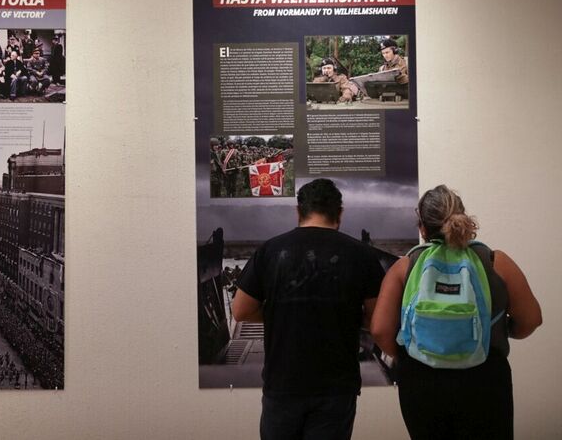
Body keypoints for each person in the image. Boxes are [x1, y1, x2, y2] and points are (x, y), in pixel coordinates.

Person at [370, 185, 542, 440]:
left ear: (422, 228)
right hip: (485, 377)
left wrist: (407, 354)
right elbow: (531, 319)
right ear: (462, 217)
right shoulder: (496, 261)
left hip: (421, 380)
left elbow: (379, 330)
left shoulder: (404, 267)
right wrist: (502, 331)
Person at [232, 178, 384, 440]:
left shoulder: (270, 250)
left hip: (283, 382)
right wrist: (345, 316)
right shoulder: (362, 255)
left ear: (298, 211)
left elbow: (240, 311)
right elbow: (376, 319)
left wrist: (279, 313)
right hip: (337, 385)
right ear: (339, 213)